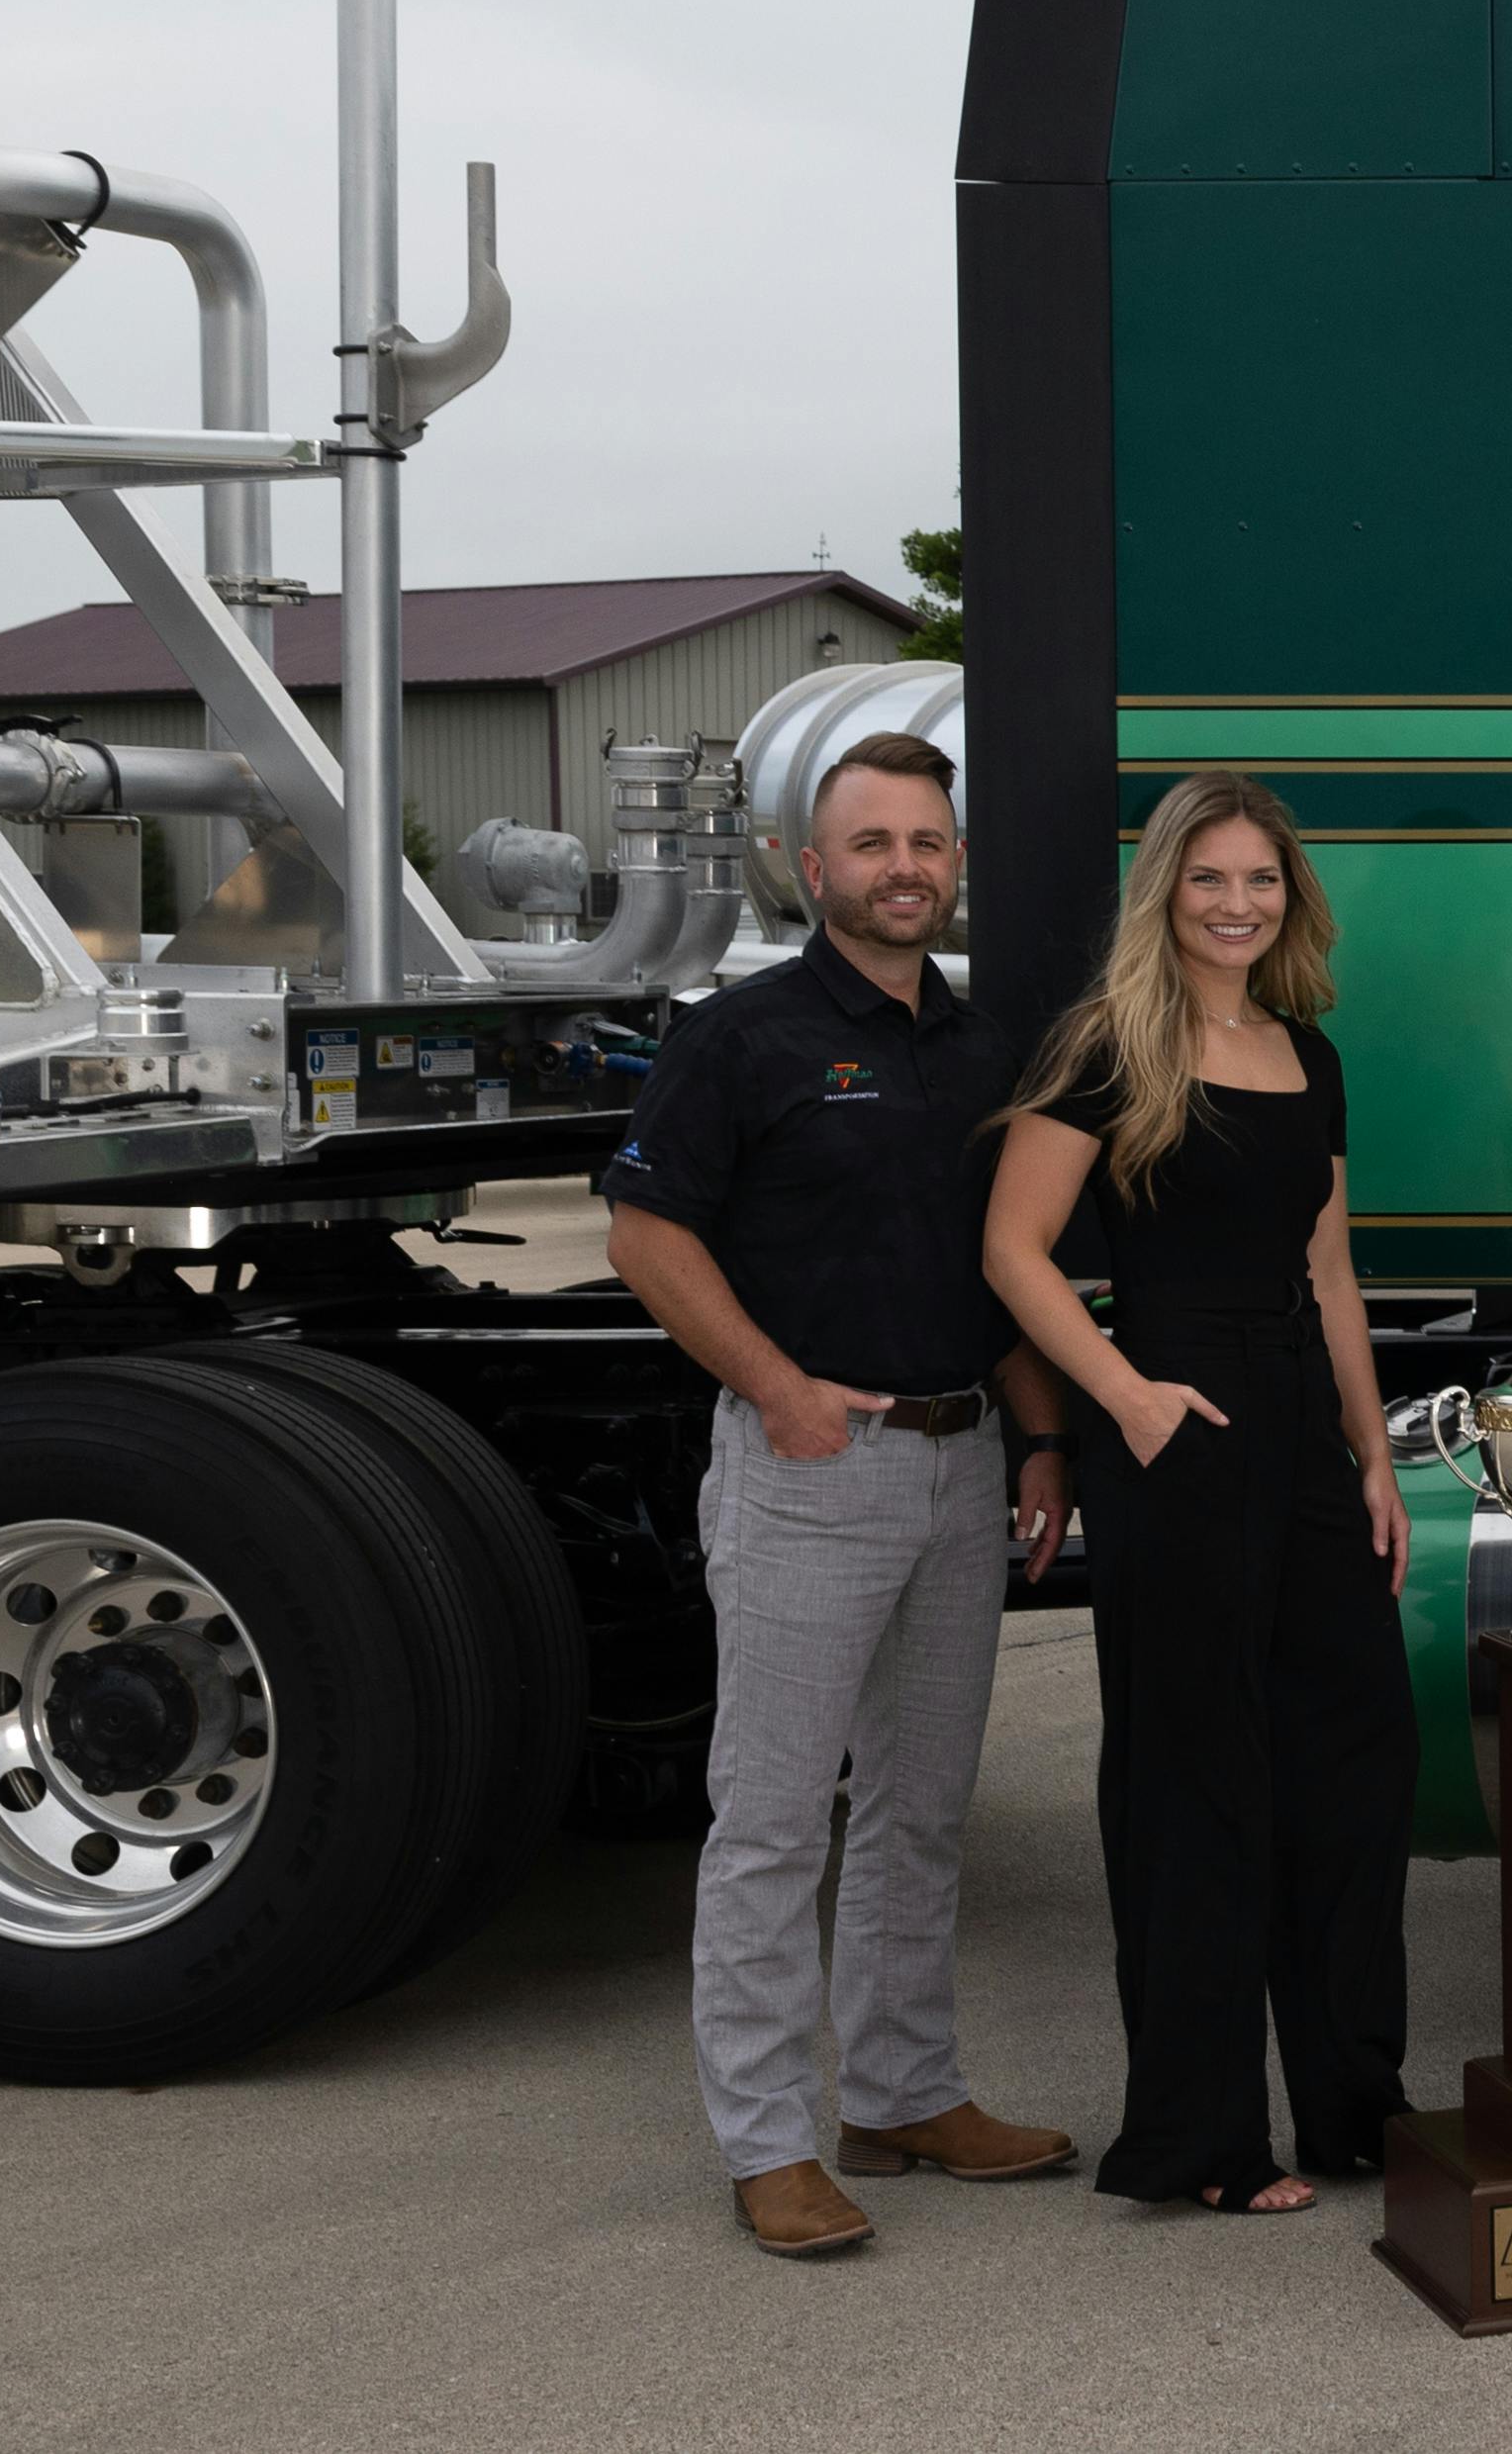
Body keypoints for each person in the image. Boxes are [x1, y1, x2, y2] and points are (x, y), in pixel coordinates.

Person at [603, 727, 1080, 2258]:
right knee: (772, 1822)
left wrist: (1043, 1441)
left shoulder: (982, 1049)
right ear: (811, 868)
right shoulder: (739, 1038)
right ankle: (767, 2143)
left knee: (920, 1809)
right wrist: (781, 1390)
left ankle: (902, 2093)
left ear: (955, 865)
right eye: (872, 845)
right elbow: (646, 1238)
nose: (904, 870)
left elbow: (1000, 1269)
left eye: (927, 844)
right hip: (811, 1471)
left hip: (963, 1465)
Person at [983, 770, 1416, 2217]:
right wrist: (1125, 1397)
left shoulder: (1309, 1052)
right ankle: (1202, 2141)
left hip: (1300, 1427)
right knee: (1196, 1775)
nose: (1238, 904)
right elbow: (1014, 1250)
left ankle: (1354, 2106)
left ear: (1294, 899)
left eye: (1262, 880)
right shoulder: (1108, 1046)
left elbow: (1330, 1271)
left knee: (1354, 1758)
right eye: (1209, 878)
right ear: (1163, 892)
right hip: (1174, 1423)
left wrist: (1372, 1453)